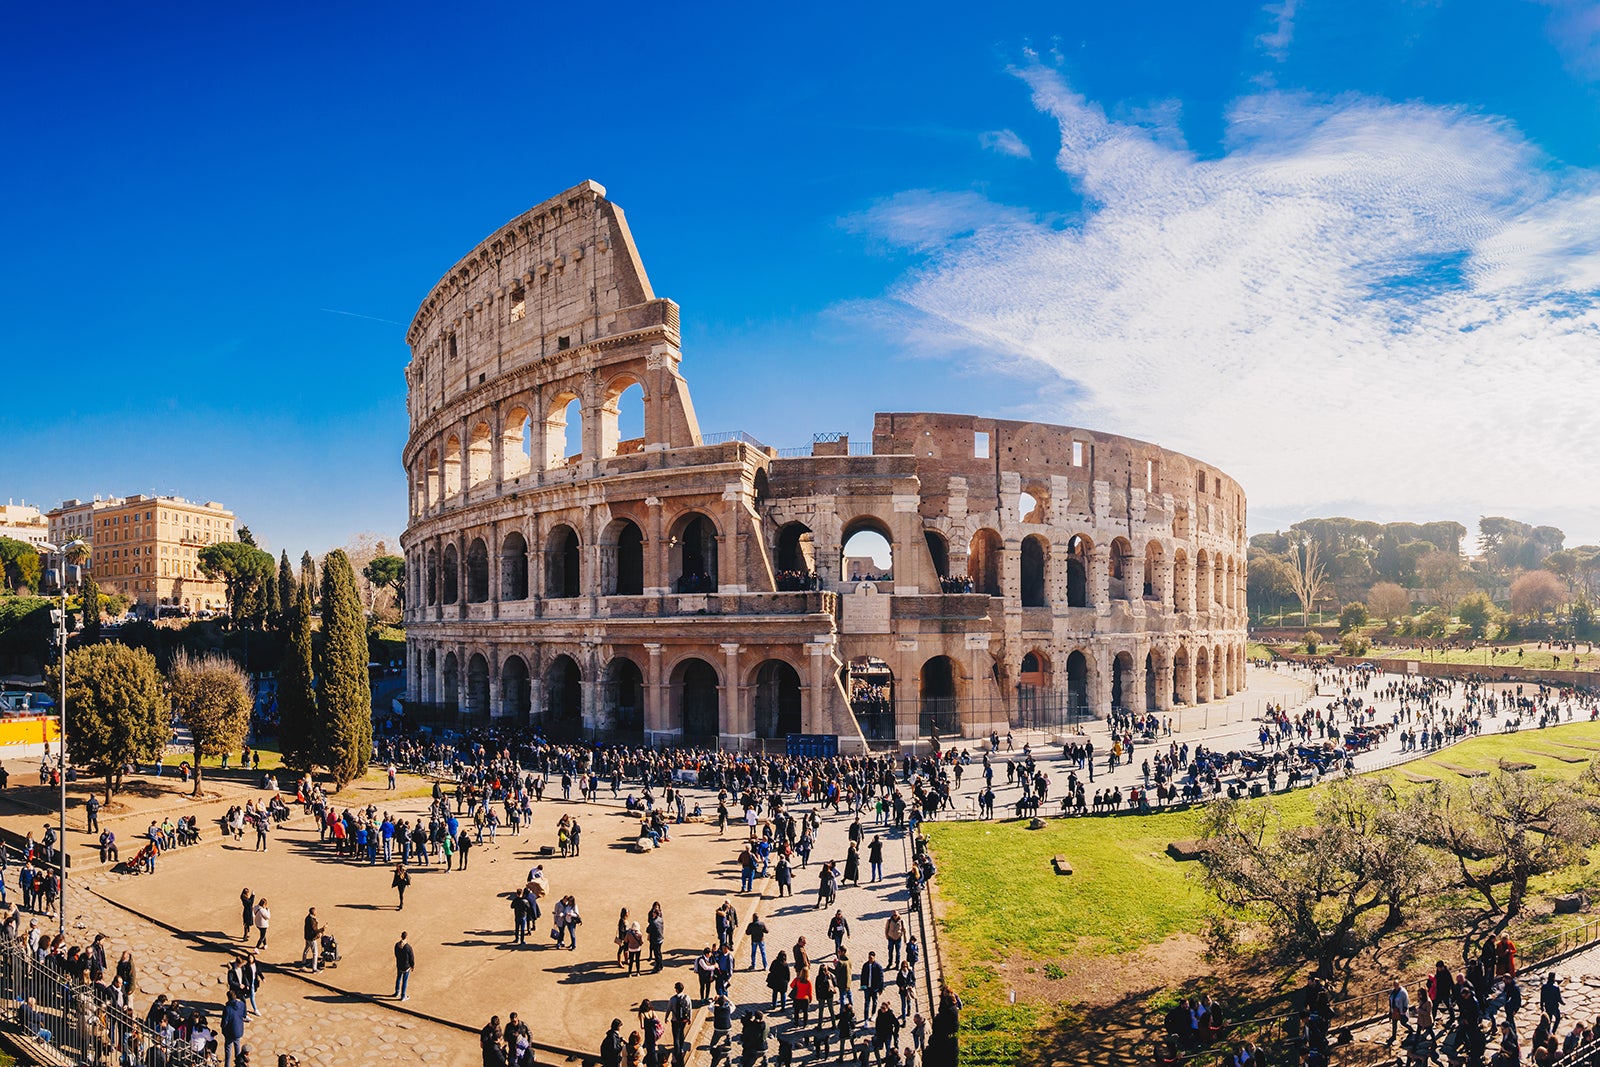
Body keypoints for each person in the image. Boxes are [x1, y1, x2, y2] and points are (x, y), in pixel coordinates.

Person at [221, 989, 247, 1067]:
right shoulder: (242, 1004)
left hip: (229, 1032)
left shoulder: (227, 1008)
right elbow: (244, 1015)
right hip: (238, 1030)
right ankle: (238, 1064)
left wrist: (223, 1028)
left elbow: (225, 1022)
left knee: (228, 1050)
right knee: (237, 1047)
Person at [668, 981, 693, 1057]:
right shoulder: (687, 998)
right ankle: (681, 1048)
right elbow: (689, 1008)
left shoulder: (673, 999)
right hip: (684, 1020)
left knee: (676, 1036)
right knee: (681, 1033)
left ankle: (677, 1051)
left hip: (675, 1020)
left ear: (676, 990)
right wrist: (690, 1018)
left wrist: (666, 1017)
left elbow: (669, 1009)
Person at [861, 952, 886, 1017]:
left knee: (874, 1002)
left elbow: (881, 979)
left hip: (874, 988)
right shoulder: (865, 965)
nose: (870, 959)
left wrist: (881, 989)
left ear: (874, 957)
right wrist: (863, 986)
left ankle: (873, 1014)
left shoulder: (878, 967)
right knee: (867, 1003)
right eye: (869, 958)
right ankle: (866, 1017)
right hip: (867, 988)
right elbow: (862, 976)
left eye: (871, 958)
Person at [394, 931, 415, 1001]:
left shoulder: (397, 945)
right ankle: (403, 996)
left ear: (401, 936)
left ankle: (397, 992)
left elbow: (396, 954)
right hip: (406, 967)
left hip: (399, 965)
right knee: (405, 981)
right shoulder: (408, 947)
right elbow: (411, 957)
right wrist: (412, 966)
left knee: (398, 978)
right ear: (406, 937)